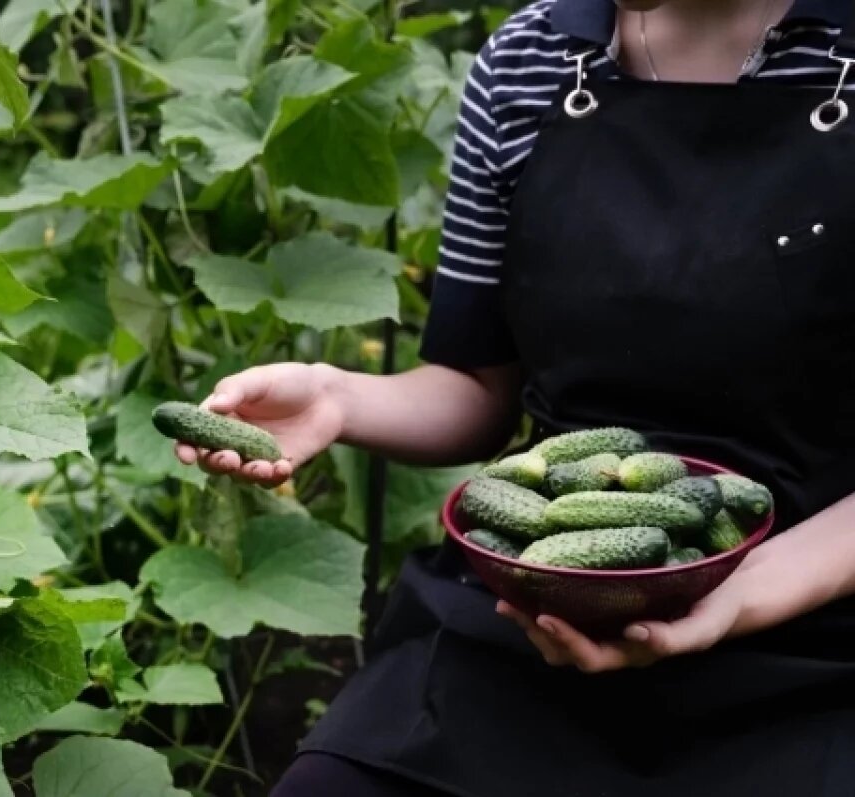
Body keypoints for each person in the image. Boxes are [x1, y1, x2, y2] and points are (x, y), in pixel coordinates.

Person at [170, 0, 855, 794]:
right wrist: (336, 396)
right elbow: (477, 388)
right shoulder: (529, 58)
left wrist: (738, 598)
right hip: (531, 607)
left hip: (816, 632)